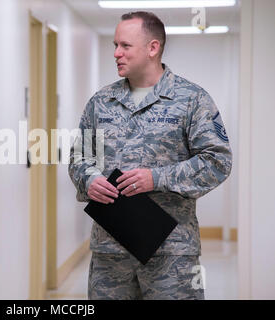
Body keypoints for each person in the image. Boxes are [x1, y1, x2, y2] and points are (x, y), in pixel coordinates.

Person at [68, 11, 232, 300]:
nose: (116, 53)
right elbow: (78, 157)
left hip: (171, 254)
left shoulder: (192, 99)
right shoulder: (100, 102)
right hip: (110, 253)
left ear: (153, 48)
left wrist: (157, 178)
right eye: (115, 45)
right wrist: (89, 179)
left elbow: (217, 161)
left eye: (125, 46)